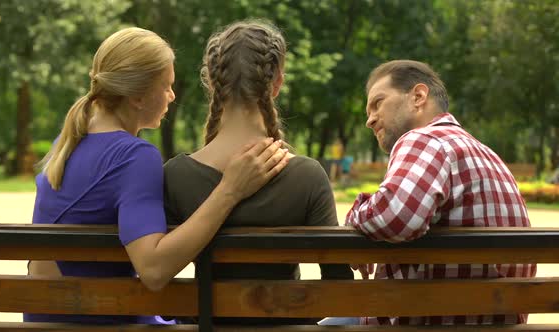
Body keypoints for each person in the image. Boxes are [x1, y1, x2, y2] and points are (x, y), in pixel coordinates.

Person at [27, 27, 288, 325]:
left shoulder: (68, 143)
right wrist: (230, 190)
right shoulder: (133, 156)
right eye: (166, 86)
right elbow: (153, 270)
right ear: (138, 97)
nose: (172, 96)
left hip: (53, 318)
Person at [163, 20, 353, 324]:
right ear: (276, 84)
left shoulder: (175, 175)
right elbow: (339, 288)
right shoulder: (307, 176)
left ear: (212, 82)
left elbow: (164, 297)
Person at [333, 60, 535, 325]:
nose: (369, 120)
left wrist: (355, 215)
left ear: (418, 96)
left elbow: (397, 217)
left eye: (377, 103)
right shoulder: (488, 154)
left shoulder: (425, 139)